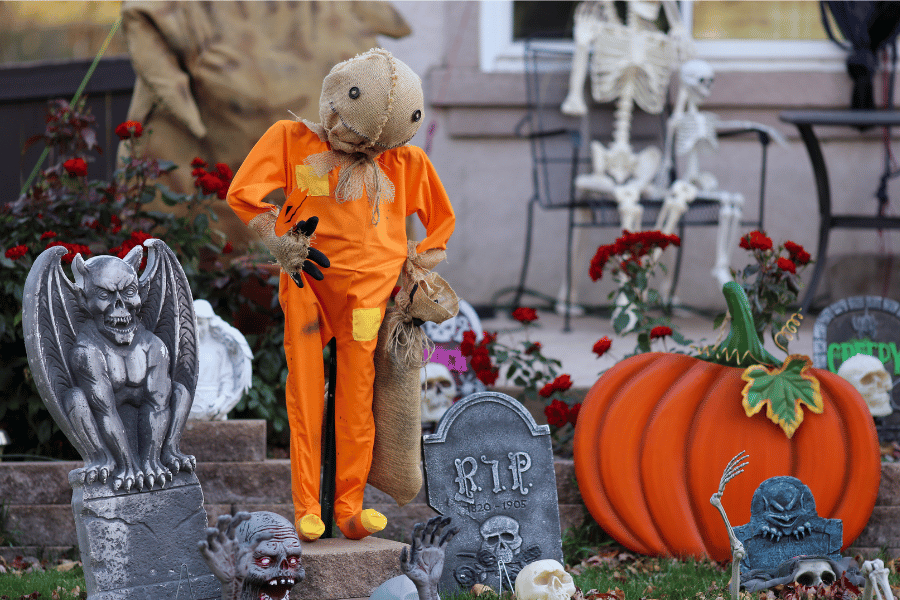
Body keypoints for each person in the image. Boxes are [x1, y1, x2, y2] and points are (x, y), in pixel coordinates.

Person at [227, 48, 455, 541]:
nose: (358, 145)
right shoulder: (293, 143)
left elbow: (442, 221)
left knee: (357, 395)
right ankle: (308, 505)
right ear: (333, 101)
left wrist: (417, 263)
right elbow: (243, 193)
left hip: (368, 300)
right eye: (354, 134)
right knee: (306, 393)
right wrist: (279, 240)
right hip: (309, 285)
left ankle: (350, 507)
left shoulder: (404, 163)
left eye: (372, 141)